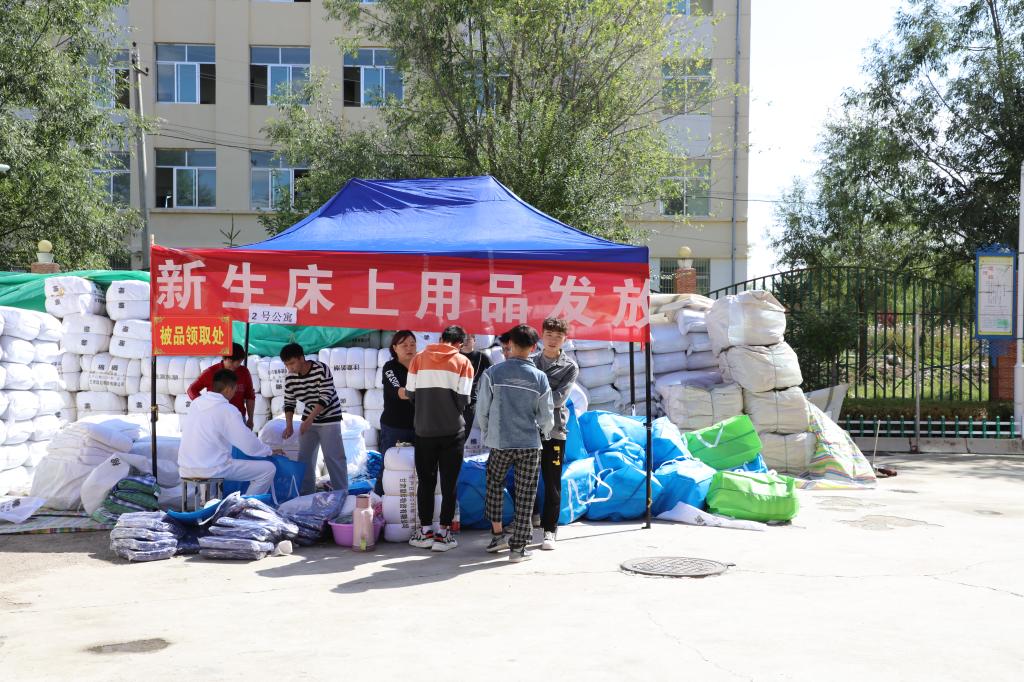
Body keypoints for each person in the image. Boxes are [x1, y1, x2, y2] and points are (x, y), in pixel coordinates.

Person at [476, 325, 554, 563]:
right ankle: (518, 549)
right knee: (526, 494)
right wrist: (544, 433)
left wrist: (488, 433)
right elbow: (546, 415)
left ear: (509, 344)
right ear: (534, 347)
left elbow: (482, 409)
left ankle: (497, 535)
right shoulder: (539, 377)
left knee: (494, 485)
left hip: (500, 442)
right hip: (529, 443)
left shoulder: (493, 373)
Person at [406, 325, 474, 552]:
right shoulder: (463, 362)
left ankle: (425, 531)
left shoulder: (418, 359)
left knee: (425, 482)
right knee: (449, 484)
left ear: (441, 338)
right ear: (459, 344)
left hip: (424, 431)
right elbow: (464, 399)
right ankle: (443, 534)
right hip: (453, 432)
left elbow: (411, 394)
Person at [179, 369, 279, 494]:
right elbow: (248, 444)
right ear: (228, 389)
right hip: (212, 468)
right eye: (234, 390)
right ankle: (245, 505)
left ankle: (214, 501)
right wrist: (268, 451)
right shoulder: (227, 410)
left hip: (185, 467)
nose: (234, 393)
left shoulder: (196, 404)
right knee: (268, 469)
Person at [530, 317, 580, 551]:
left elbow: (560, 399)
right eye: (549, 335)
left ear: (565, 339)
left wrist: (533, 399)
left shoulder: (570, 367)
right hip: (528, 430)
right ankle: (529, 521)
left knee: (552, 482)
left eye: (558, 336)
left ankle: (550, 529)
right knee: (526, 479)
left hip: (554, 431)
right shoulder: (530, 362)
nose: (552, 340)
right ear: (541, 335)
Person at [280, 343, 348, 496]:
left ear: (302, 358)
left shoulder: (321, 369)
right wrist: (289, 425)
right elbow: (289, 403)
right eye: (286, 364)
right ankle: (306, 494)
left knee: (333, 457)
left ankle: (341, 493)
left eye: (292, 363)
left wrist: (309, 420)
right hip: (309, 415)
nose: (290, 368)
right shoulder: (290, 378)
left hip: (330, 416)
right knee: (304, 458)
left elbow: (325, 397)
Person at [373, 330, 418, 496]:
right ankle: (378, 499)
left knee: (418, 467)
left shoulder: (421, 366)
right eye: (404, 345)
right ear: (394, 348)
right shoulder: (389, 368)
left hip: (419, 426)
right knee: (388, 466)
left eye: (412, 344)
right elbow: (400, 392)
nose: (409, 348)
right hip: (395, 427)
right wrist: (426, 391)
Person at [186, 342, 256, 429]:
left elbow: (250, 396)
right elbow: (191, 390)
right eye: (238, 362)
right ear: (229, 359)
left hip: (238, 418)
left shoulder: (244, 372)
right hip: (215, 419)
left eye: (240, 362)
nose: (238, 365)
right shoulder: (210, 372)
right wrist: (204, 404)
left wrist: (250, 419)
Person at [459, 333, 492, 432]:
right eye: (463, 339)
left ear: (474, 341)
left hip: (471, 398)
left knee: (466, 428)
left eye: (468, 339)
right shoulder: (455, 355)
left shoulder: (481, 356)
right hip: (453, 397)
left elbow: (494, 371)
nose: (465, 342)